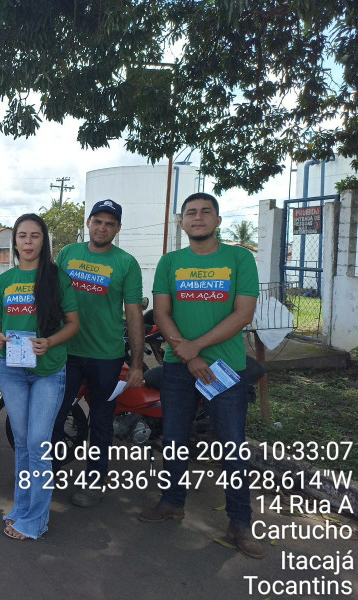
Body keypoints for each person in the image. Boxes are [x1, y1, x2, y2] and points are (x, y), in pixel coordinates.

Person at [138, 192, 262, 559]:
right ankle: (172, 501)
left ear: (218, 221)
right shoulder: (170, 262)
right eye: (190, 213)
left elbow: (243, 314)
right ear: (181, 222)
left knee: (232, 446)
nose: (198, 217)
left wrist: (197, 347)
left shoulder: (239, 258)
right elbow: (161, 312)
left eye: (206, 212)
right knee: (175, 438)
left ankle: (240, 522)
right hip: (180, 368)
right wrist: (186, 353)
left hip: (226, 367)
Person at [0, 214, 79, 540]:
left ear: (44, 241)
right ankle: (23, 507)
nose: (28, 242)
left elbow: (73, 324)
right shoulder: (5, 280)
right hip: (11, 372)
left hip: (48, 372)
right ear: (15, 242)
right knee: (24, 444)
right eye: (22, 236)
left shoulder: (58, 279)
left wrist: (50, 342)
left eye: (35, 236)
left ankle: (36, 521)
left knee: (39, 444)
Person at [53, 199, 144, 508]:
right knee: (55, 411)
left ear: (117, 228)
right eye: (98, 221)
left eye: (110, 223)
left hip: (106, 355)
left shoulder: (126, 263)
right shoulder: (68, 253)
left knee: (102, 420)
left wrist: (135, 364)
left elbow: (133, 314)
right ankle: (48, 471)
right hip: (67, 351)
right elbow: (51, 296)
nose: (103, 227)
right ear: (88, 223)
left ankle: (95, 481)